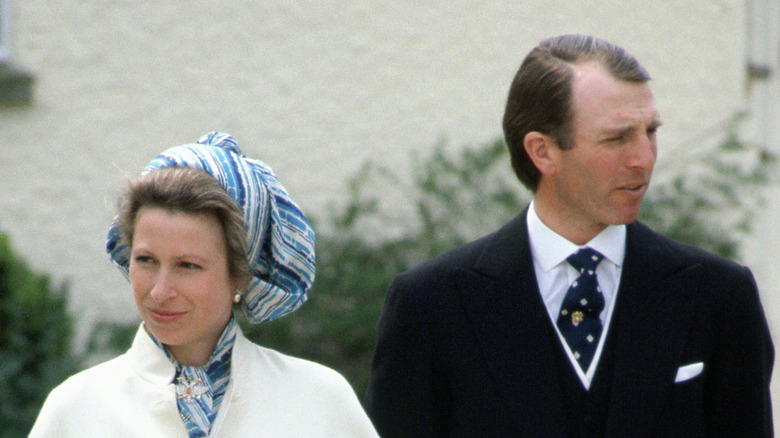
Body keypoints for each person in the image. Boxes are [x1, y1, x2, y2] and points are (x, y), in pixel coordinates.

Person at [365, 34, 774, 437]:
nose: (644, 159)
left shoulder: (720, 296)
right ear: (542, 151)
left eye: (649, 131)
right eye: (617, 138)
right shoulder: (430, 306)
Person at [31, 132, 378, 437]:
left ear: (240, 275)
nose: (159, 291)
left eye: (188, 265)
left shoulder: (318, 401)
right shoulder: (76, 410)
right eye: (146, 260)